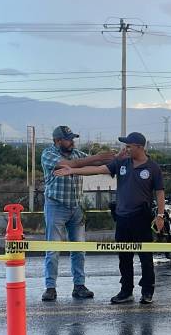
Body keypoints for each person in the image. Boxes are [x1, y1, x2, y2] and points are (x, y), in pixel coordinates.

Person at [55, 132, 165, 305]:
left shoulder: (153, 168)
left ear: (140, 147)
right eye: (125, 146)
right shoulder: (121, 163)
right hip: (122, 217)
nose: (125, 149)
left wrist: (160, 215)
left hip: (141, 218)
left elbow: (160, 193)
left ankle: (147, 291)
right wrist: (73, 171)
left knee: (145, 256)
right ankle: (126, 291)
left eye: (129, 146)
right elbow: (98, 169)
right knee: (124, 257)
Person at [39, 125, 115, 302]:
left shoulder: (77, 153)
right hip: (56, 206)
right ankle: (50, 287)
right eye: (68, 139)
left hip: (76, 207)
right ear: (57, 141)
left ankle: (79, 285)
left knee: (79, 249)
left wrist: (114, 159)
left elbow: (91, 163)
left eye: (73, 138)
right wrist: (96, 157)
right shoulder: (48, 154)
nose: (72, 142)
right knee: (54, 249)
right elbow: (69, 165)